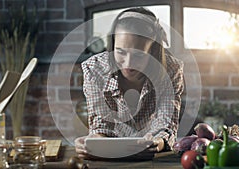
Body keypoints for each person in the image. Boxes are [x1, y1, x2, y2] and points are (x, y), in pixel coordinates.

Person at [75, 7, 184, 159]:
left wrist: (156, 144)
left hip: (151, 158)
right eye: (120, 52)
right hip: (110, 158)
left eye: (138, 55)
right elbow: (101, 124)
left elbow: (166, 122)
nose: (128, 63)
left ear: (152, 51)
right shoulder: (95, 69)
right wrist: (94, 142)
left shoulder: (171, 69)